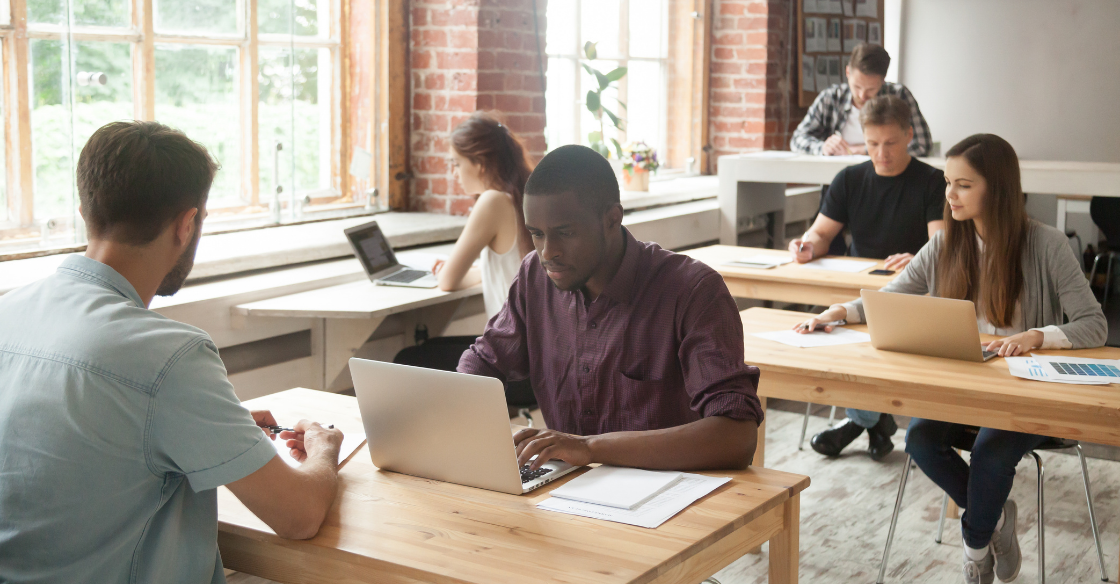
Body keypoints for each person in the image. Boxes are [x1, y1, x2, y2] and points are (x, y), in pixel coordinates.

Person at [0, 121, 345, 584]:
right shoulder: (168, 356)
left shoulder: (10, 310)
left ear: (85, 210)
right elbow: (299, 517)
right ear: (186, 224)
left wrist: (220, 428)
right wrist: (324, 450)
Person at [796, 134, 1107, 584]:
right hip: (965, 384)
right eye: (947, 182)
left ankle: (975, 548)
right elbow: (889, 299)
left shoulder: (1047, 244)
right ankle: (996, 518)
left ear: (996, 189)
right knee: (921, 440)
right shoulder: (947, 245)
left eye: (963, 185)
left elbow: (1093, 324)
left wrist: (1039, 335)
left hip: (1025, 390)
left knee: (990, 452)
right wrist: (839, 312)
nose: (949, 195)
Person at [457, 145, 764, 471]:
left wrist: (590, 448)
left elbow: (737, 436)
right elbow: (484, 361)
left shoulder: (692, 291)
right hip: (569, 490)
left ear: (612, 219)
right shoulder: (535, 276)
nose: (548, 252)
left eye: (565, 233)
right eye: (536, 234)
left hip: (667, 496)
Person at [788, 95, 946, 461]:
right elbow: (821, 234)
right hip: (856, 286)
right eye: (873, 144)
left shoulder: (932, 181)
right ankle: (875, 424)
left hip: (912, 293)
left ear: (908, 135)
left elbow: (941, 244)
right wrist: (807, 246)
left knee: (873, 348)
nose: (881, 153)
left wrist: (918, 257)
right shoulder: (850, 178)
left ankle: (858, 424)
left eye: (890, 143)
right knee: (836, 335)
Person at [394, 112, 537, 410]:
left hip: (515, 365)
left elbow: (447, 282)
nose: (454, 173)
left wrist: (449, 270)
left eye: (456, 163)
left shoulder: (492, 200)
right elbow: (505, 273)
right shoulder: (522, 194)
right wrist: (467, 270)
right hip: (534, 358)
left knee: (407, 360)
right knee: (426, 353)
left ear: (480, 163)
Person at [791, 43, 932, 157]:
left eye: (871, 89)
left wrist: (863, 150)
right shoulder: (831, 97)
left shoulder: (899, 96)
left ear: (883, 80)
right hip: (838, 179)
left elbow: (922, 144)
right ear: (847, 73)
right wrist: (823, 147)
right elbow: (797, 139)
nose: (862, 95)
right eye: (857, 86)